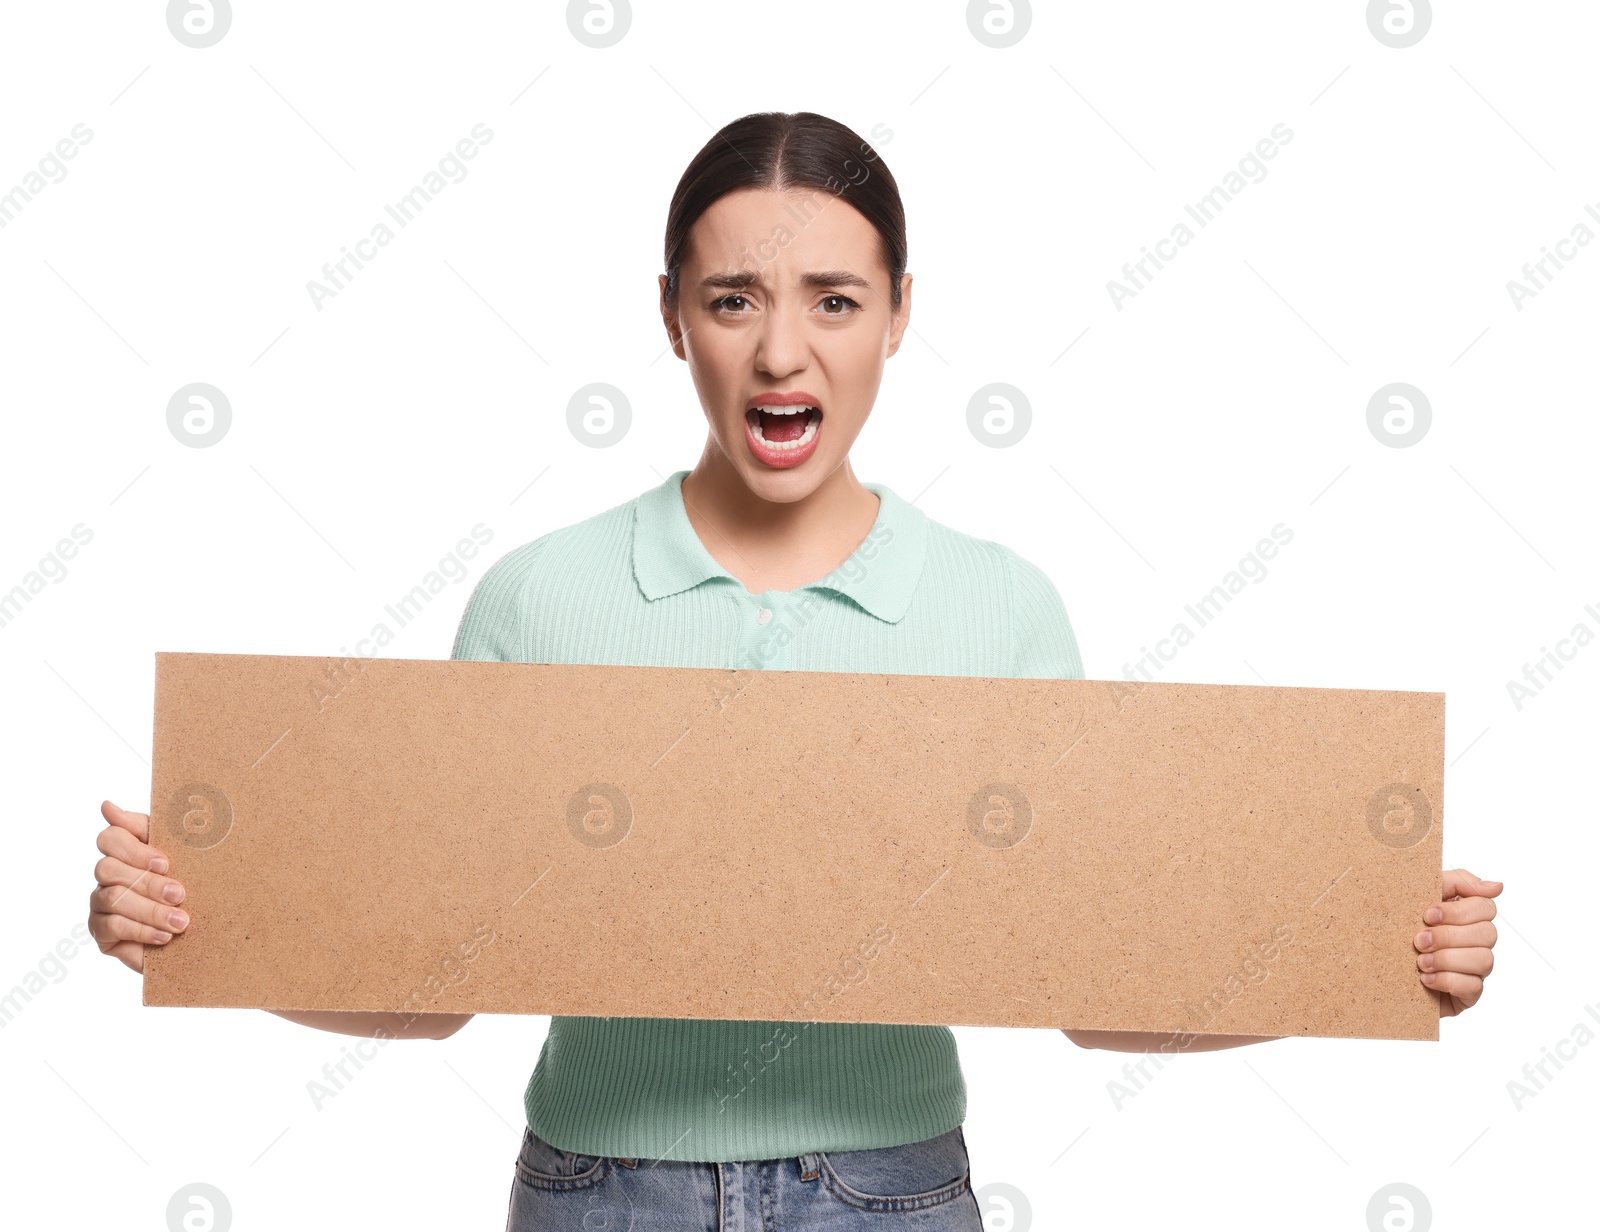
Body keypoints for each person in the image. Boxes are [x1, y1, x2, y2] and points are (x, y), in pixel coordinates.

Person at [89, 111, 1502, 1230]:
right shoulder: (545, 597)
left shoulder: (999, 608)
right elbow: (433, 976)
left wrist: (1371, 955)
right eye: (731, 299)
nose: (781, 350)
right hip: (598, 1196)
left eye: (832, 300)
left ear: (897, 314)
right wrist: (202, 926)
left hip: (889, 1197)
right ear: (669, 316)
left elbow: (1097, 984)